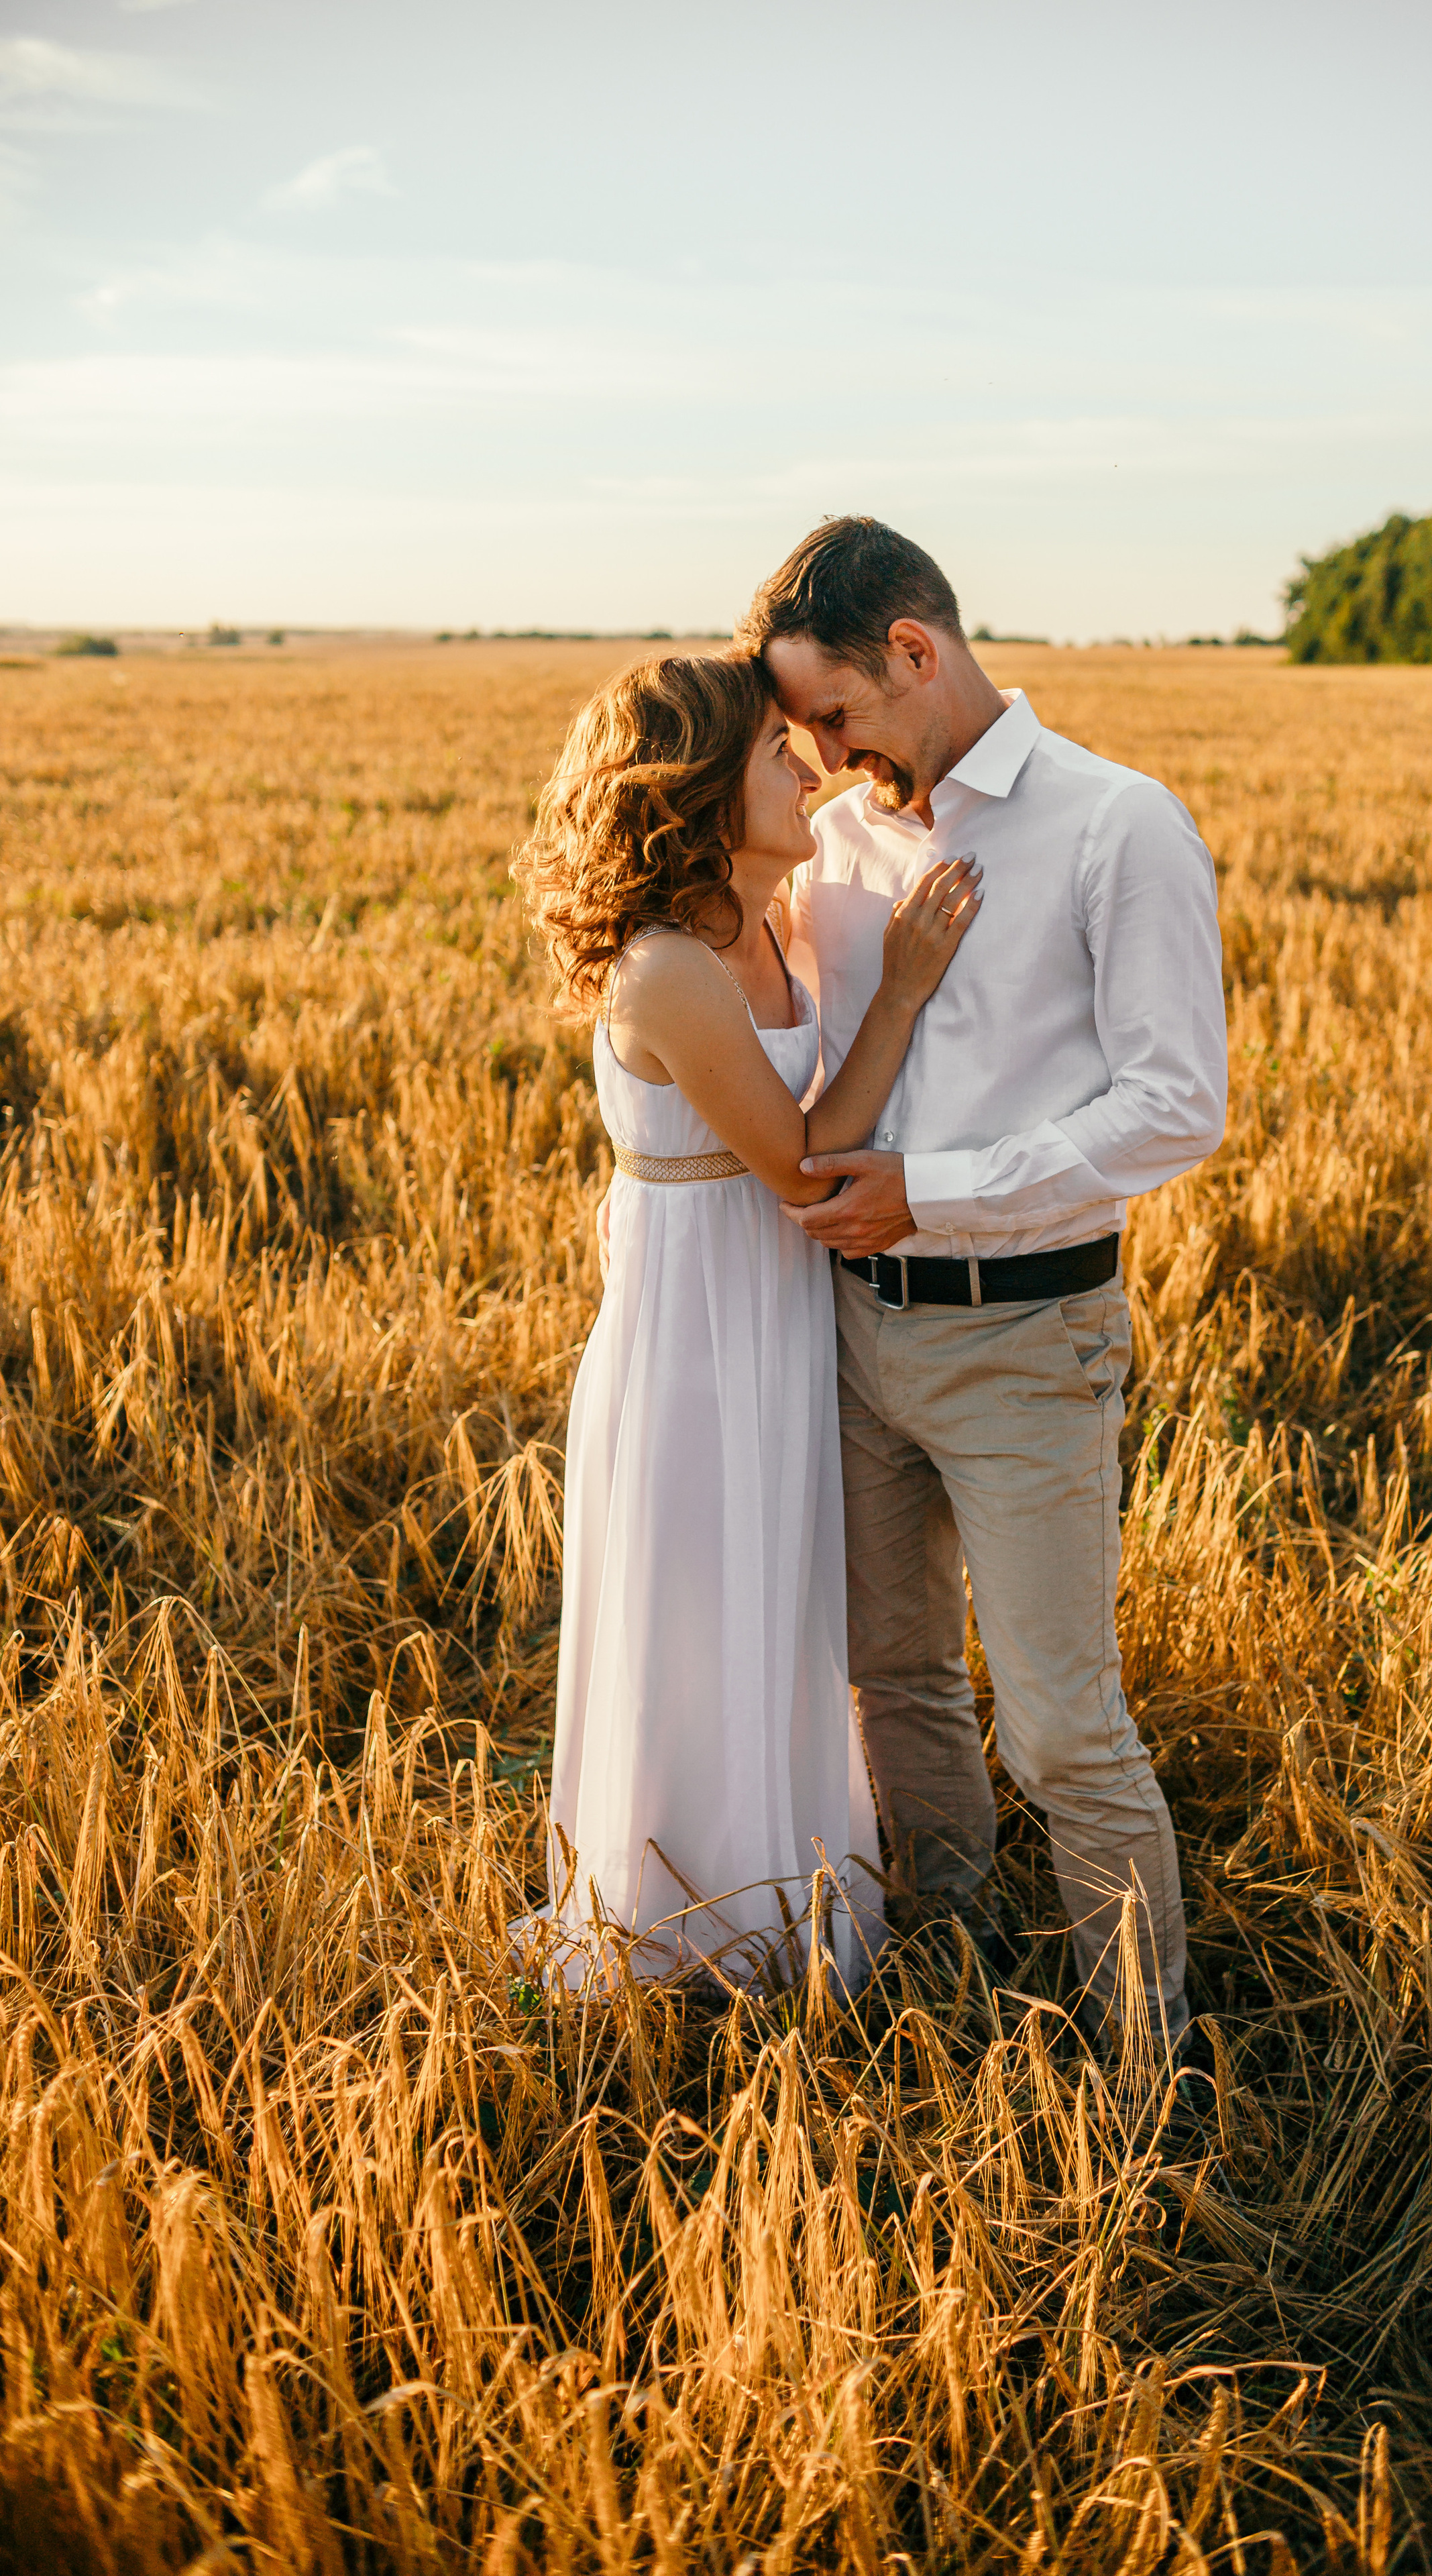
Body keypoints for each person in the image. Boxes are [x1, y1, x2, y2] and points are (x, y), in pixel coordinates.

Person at [734, 519, 1227, 2049]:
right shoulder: (844, 841)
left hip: (1027, 1336)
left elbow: (1173, 1109)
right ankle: (948, 1965)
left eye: (833, 712)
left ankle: (1141, 2066)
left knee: (1065, 1732)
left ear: (912, 652)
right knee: (896, 1683)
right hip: (852, 1334)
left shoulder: (1112, 825)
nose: (818, 754)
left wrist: (929, 1197)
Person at [510, 649, 981, 1994]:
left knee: (782, 1601)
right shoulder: (664, 969)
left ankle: (786, 1886)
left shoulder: (766, 922)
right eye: (781, 753)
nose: (814, 767)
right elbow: (802, 1165)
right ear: (704, 787)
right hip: (697, 1338)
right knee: (699, 1606)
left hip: (773, 1311)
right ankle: (689, 1930)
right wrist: (898, 990)